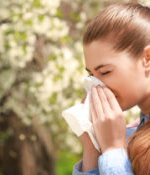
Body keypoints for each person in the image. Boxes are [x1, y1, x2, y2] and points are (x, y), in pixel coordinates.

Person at [72, 2, 150, 175]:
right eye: (91, 75)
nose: (95, 85)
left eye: (105, 72)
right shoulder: (131, 134)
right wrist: (93, 149)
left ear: (147, 58)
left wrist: (113, 149)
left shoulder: (121, 142)